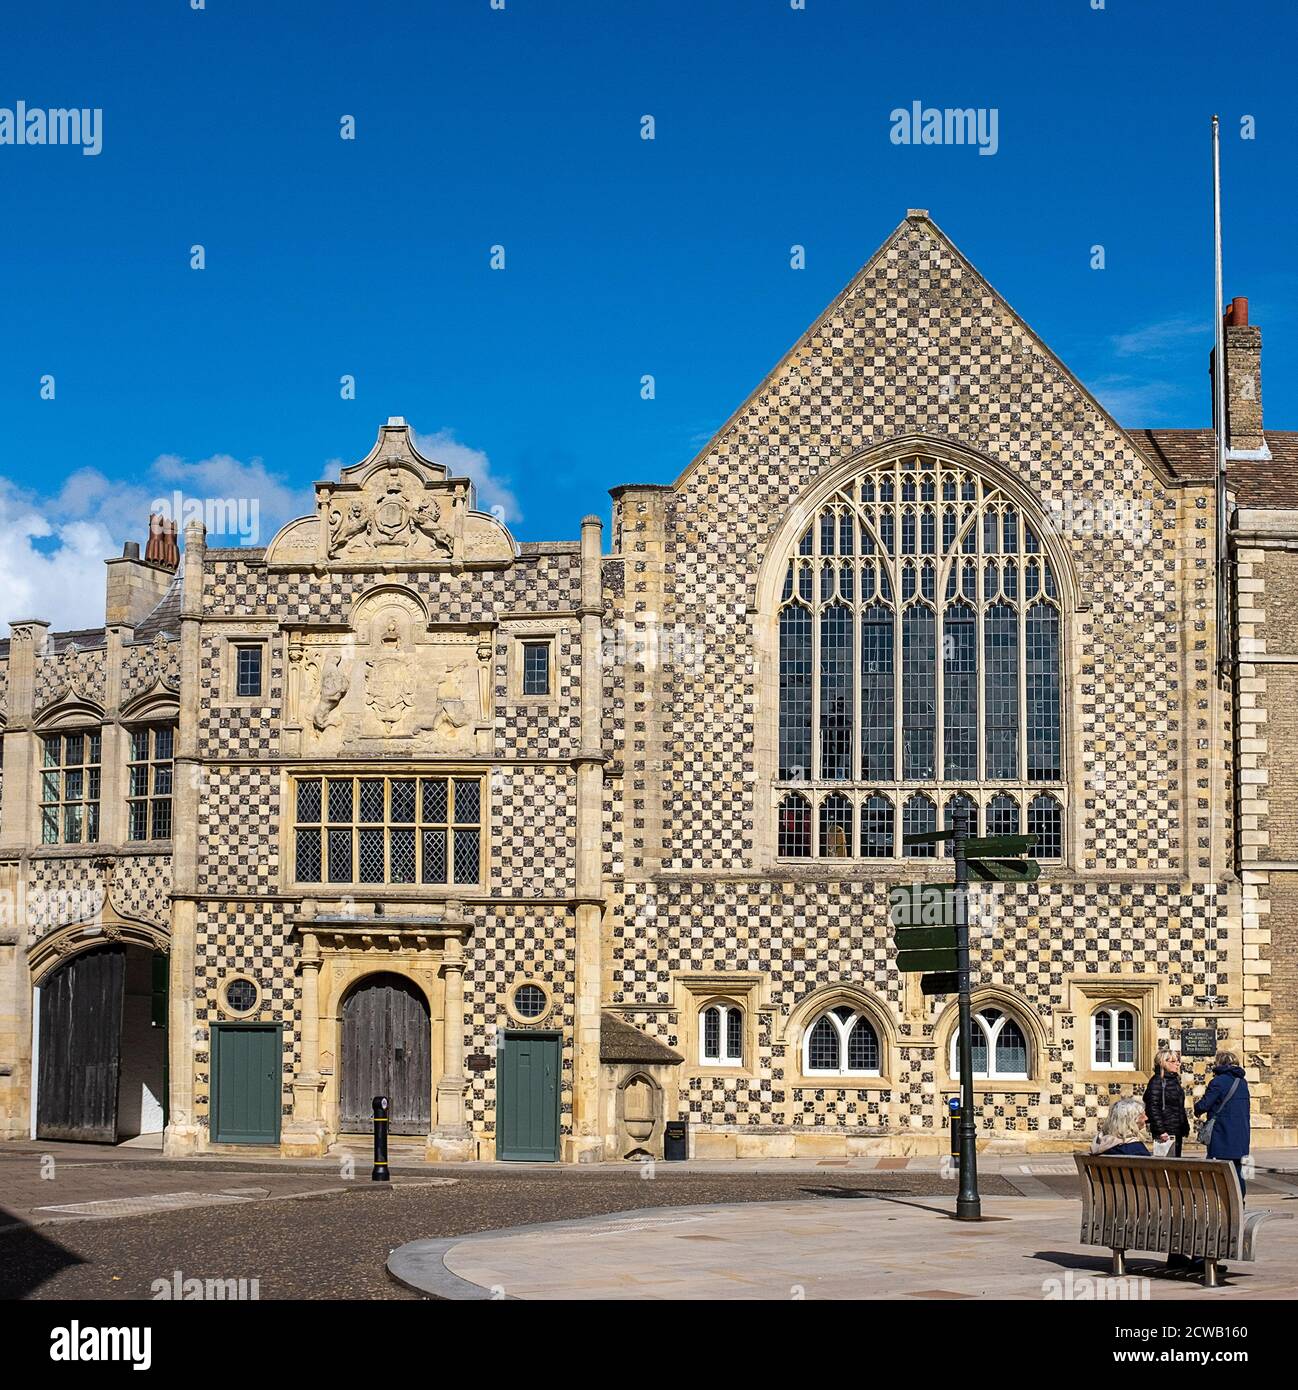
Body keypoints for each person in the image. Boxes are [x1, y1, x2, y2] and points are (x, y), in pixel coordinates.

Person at [1194, 1049, 1251, 1198]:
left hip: (1223, 1133)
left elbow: (1205, 1105)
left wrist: (1197, 1108)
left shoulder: (1218, 1082)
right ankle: (1240, 1201)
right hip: (1241, 1134)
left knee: (1220, 1168)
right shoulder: (1242, 1083)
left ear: (1219, 1064)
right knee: (1238, 1169)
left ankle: (1223, 1202)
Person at [1143, 1047, 1191, 1156]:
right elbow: (1152, 1107)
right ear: (1162, 1063)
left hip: (1176, 1130)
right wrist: (1160, 1130)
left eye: (1178, 1061)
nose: (1177, 1064)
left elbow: (1178, 1106)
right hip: (1165, 1131)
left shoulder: (1174, 1080)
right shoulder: (1157, 1081)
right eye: (1173, 1061)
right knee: (1165, 1165)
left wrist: (1184, 1125)